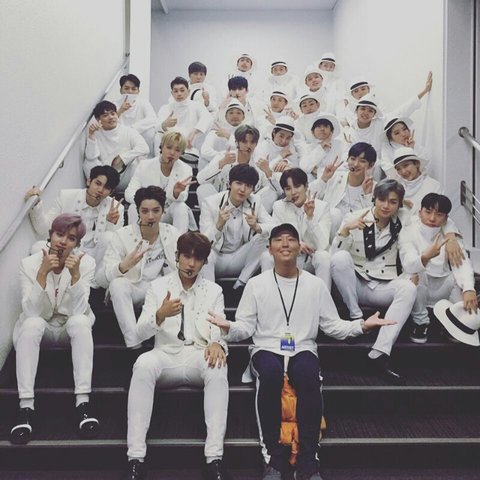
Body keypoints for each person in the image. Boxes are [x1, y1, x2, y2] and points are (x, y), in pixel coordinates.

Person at [208, 223, 393, 480]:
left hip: (303, 347)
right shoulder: (256, 284)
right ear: (269, 248)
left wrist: (361, 326)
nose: (285, 244)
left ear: (300, 247)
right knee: (270, 375)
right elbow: (245, 327)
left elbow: (332, 325)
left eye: (291, 239)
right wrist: (229, 327)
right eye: (279, 240)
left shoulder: (315, 285)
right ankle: (272, 457)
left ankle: (309, 458)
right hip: (266, 347)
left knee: (308, 374)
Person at [124, 232, 230, 480]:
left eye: (197, 259)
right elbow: (139, 333)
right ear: (177, 256)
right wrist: (159, 315)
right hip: (165, 354)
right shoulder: (158, 287)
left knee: (218, 366)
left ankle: (214, 458)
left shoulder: (214, 290)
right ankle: (135, 459)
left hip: (197, 354)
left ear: (204, 262)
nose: (191, 264)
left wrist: (217, 343)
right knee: (142, 364)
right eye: (186, 256)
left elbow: (219, 327)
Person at [10, 214, 99, 445]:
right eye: (59, 235)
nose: (63, 242)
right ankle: (26, 407)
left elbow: (80, 310)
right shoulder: (29, 264)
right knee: (31, 323)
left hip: (70, 327)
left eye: (71, 238)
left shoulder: (86, 263)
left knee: (80, 322)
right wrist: (41, 274)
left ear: (76, 244)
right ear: (50, 235)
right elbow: (31, 311)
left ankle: (83, 403)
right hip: (43, 328)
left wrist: (75, 275)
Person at [330, 179, 416, 384]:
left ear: (399, 204)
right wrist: (345, 230)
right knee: (340, 258)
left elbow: (410, 246)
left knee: (408, 288)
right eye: (382, 200)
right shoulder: (354, 217)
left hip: (382, 284)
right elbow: (333, 258)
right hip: (354, 284)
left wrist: (412, 270)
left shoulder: (403, 220)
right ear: (374, 199)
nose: (386, 206)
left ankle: (379, 352)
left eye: (393, 202)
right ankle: (356, 318)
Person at [102, 186, 179, 361]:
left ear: (163, 210)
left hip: (161, 288)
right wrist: (124, 266)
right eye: (145, 211)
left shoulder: (172, 233)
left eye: (156, 211)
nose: (150, 216)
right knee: (117, 284)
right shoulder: (122, 235)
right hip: (134, 287)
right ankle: (134, 345)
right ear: (137, 211)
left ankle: (169, 347)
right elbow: (103, 278)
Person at [25, 165, 124, 286]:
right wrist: (35, 203)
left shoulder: (117, 208)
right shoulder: (66, 196)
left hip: (93, 255)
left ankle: (93, 281)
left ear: (111, 192)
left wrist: (110, 223)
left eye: (106, 188)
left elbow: (115, 245)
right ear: (89, 181)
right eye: (97, 183)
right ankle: (55, 278)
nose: (100, 190)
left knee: (109, 237)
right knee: (37, 247)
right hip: (66, 250)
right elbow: (43, 228)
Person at [400, 193, 477, 343]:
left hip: (442, 287)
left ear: (446, 218)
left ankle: (452, 323)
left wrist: (469, 289)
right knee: (416, 273)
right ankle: (420, 323)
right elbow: (408, 262)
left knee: (457, 279)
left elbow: (462, 263)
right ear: (420, 212)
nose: (432, 218)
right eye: (428, 212)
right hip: (419, 285)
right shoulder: (409, 230)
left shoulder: (450, 237)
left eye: (439, 214)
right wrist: (425, 257)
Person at [200, 164, 274, 289]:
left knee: (265, 237)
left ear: (253, 189)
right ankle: (211, 293)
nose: (242, 189)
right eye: (238, 183)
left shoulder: (255, 201)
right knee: (205, 253)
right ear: (229, 184)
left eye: (248, 186)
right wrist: (218, 225)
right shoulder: (210, 203)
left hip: (240, 258)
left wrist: (257, 227)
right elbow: (204, 242)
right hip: (217, 258)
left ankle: (241, 283)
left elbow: (274, 227)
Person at [262, 168, 332, 288]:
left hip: (311, 258)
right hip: (288, 257)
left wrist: (310, 218)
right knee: (267, 256)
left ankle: (324, 298)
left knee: (323, 256)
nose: (293, 192)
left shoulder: (322, 207)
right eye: (288, 189)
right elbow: (276, 238)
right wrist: (297, 244)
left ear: (306, 186)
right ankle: (268, 295)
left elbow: (322, 244)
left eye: (297, 186)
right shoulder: (279, 206)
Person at [125, 131, 197, 233]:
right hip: (148, 211)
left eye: (177, 150)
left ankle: (180, 241)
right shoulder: (144, 165)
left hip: (167, 213)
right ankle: (135, 238)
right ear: (161, 146)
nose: (172, 153)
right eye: (169, 147)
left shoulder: (185, 169)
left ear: (182, 153)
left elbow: (183, 197)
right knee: (133, 207)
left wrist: (176, 193)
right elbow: (129, 193)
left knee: (180, 207)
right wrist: (147, 202)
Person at [196, 125, 280, 211]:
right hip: (222, 205)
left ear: (256, 144)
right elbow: (200, 179)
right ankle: (218, 217)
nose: (248, 146)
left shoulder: (260, 162)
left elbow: (278, 191)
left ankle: (252, 217)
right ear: (236, 142)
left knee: (272, 193)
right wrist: (222, 163)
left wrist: (268, 171)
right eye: (244, 142)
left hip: (247, 207)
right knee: (203, 188)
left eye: (252, 142)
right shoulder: (223, 156)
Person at [310, 142, 376, 235]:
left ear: (371, 165)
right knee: (334, 214)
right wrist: (324, 179)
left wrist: (368, 196)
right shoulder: (334, 177)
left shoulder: (375, 188)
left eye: (362, 161)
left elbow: (371, 220)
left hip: (354, 234)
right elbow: (310, 197)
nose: (355, 164)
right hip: (327, 229)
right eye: (352, 159)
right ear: (347, 159)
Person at [84, 100, 149, 190]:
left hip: (127, 176)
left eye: (113, 113)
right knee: (88, 163)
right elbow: (91, 157)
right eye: (105, 115)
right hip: (106, 178)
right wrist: (91, 135)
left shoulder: (128, 131)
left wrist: (122, 158)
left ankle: (134, 192)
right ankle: (101, 191)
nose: (111, 117)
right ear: (99, 119)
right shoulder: (97, 134)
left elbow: (144, 148)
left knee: (140, 158)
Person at [156, 76, 213, 160]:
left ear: (188, 91)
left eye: (182, 90)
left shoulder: (197, 105)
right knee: (157, 136)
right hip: (171, 148)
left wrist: (194, 131)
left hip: (191, 147)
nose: (179, 94)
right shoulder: (166, 108)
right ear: (172, 93)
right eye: (176, 91)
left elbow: (208, 118)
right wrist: (164, 124)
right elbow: (157, 127)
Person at [389, 147, 440, 215]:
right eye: (398, 169)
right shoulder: (396, 187)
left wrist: (412, 207)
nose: (403, 171)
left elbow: (438, 215)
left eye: (406, 165)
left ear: (417, 163)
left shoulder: (433, 185)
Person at [115, 74, 157, 155]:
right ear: (121, 90)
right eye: (126, 88)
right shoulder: (115, 104)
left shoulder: (143, 102)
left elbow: (152, 119)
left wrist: (132, 129)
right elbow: (110, 122)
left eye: (133, 89)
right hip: (122, 137)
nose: (130, 91)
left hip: (139, 134)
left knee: (150, 131)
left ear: (138, 91)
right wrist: (120, 111)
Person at [199, 99, 245, 171]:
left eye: (238, 113)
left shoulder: (247, 133)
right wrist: (225, 158)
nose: (235, 116)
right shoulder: (216, 131)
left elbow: (246, 151)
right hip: (215, 170)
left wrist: (229, 136)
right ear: (225, 116)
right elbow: (205, 152)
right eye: (231, 113)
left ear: (243, 117)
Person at [300, 113, 345, 181]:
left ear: (332, 131)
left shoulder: (340, 144)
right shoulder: (308, 147)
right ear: (312, 132)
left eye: (326, 126)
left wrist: (318, 171)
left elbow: (345, 165)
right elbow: (304, 167)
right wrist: (321, 148)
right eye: (318, 126)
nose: (322, 129)